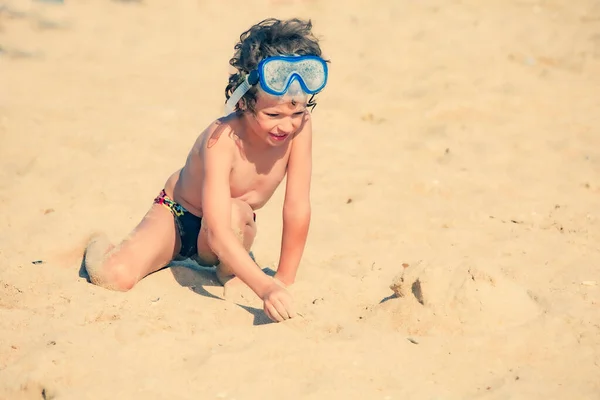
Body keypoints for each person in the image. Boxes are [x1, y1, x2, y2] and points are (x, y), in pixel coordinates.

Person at [83, 18, 329, 323]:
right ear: (243, 103)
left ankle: (229, 271)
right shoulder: (222, 138)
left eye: (297, 112)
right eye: (273, 114)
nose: (286, 124)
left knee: (235, 212)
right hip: (178, 216)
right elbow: (216, 229)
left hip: (231, 222)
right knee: (114, 277)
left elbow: (297, 206)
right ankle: (100, 244)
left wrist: (283, 280)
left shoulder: (300, 129)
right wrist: (264, 288)